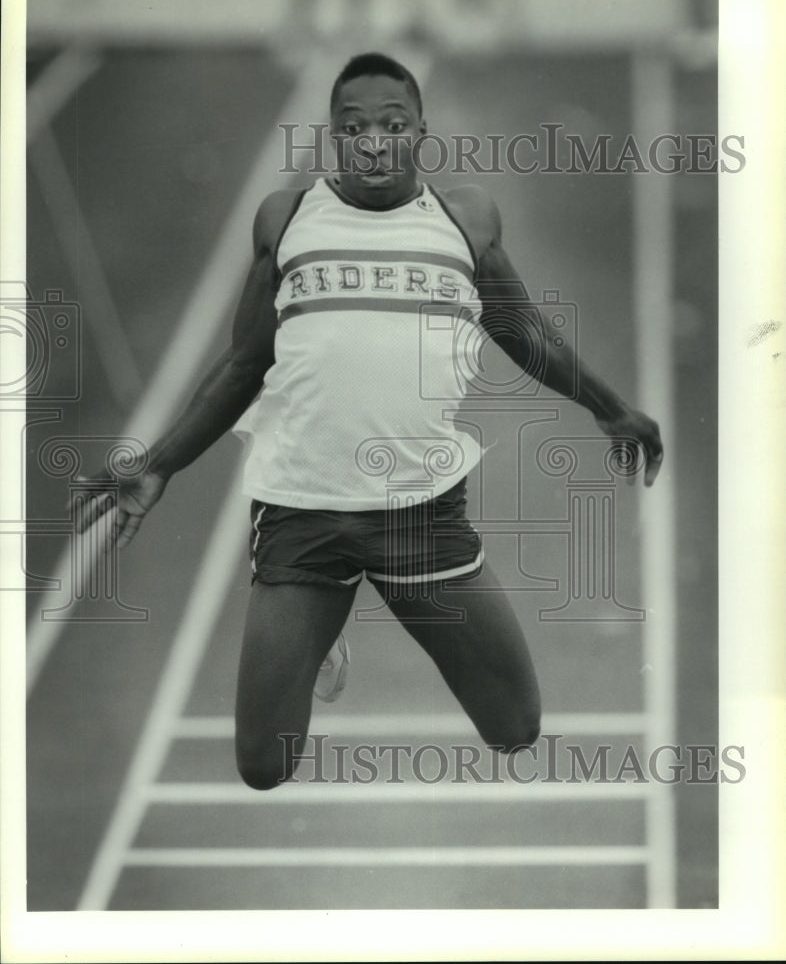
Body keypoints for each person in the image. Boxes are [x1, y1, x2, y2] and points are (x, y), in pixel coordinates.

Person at [79, 53, 663, 791]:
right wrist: (158, 463)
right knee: (264, 767)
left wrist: (611, 409)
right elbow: (242, 365)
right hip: (303, 512)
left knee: (514, 729)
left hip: (420, 516)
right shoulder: (287, 218)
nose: (375, 141)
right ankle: (325, 628)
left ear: (421, 130)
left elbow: (524, 333)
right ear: (333, 137)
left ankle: (335, 615)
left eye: (393, 124)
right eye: (354, 128)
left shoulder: (463, 219)